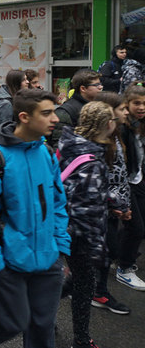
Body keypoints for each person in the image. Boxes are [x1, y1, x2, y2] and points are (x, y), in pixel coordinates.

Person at [0, 89, 70, 348]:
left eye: (54, 111)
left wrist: (60, 246)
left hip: (48, 259)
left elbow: (58, 201)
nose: (55, 118)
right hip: (10, 262)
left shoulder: (45, 152)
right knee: (14, 321)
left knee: (43, 327)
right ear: (24, 116)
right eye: (46, 113)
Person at [58, 101, 116, 348]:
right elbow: (86, 208)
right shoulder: (93, 159)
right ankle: (81, 339)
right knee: (84, 285)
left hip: (66, 226)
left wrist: (112, 198)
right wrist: (98, 248)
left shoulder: (72, 144)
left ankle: (39, 305)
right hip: (78, 234)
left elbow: (78, 189)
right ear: (107, 124)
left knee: (78, 279)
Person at [90, 92, 131, 314]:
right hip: (103, 209)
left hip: (115, 208)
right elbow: (100, 181)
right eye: (122, 109)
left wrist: (124, 205)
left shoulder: (117, 135)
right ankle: (89, 289)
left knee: (107, 252)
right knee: (107, 250)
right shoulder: (100, 141)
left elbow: (121, 175)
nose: (127, 112)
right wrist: (117, 205)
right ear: (109, 113)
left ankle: (99, 290)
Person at [115, 82, 145, 290]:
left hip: (139, 179)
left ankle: (116, 254)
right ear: (127, 104)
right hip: (125, 183)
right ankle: (124, 268)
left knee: (138, 227)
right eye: (137, 103)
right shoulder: (121, 128)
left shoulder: (141, 125)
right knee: (136, 227)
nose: (142, 107)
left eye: (144, 103)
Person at [50, 69, 102, 146]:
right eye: (96, 85)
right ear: (83, 88)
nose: (100, 87)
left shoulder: (99, 105)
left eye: (100, 84)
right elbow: (60, 145)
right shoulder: (66, 111)